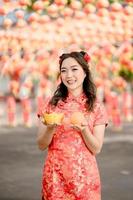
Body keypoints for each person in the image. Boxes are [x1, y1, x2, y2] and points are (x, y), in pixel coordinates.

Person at [37, 51, 108, 200]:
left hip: (85, 179)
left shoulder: (96, 107)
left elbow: (96, 148)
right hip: (55, 177)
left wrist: (84, 131)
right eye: (64, 70)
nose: (69, 75)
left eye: (74, 69)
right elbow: (41, 145)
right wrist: (50, 128)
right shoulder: (51, 105)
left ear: (85, 72)